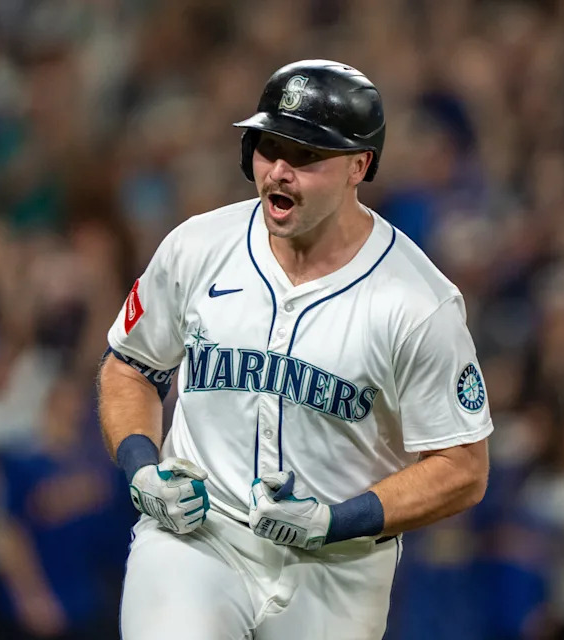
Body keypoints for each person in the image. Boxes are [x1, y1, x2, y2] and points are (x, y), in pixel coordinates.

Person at [98, 59, 493, 639]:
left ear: (360, 165)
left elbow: (463, 469)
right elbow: (130, 366)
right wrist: (141, 470)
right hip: (199, 540)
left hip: (340, 569)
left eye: (307, 155)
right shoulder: (198, 247)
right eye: (269, 147)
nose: (279, 171)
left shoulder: (417, 303)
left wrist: (335, 520)